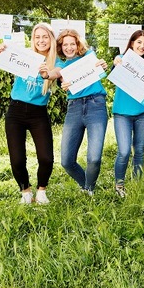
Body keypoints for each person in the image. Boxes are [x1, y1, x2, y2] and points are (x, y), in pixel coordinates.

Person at [0, 23, 59, 205]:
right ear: (33, 39)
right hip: (16, 110)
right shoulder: (25, 55)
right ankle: (25, 191)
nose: (41, 40)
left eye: (45, 37)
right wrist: (3, 52)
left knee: (46, 157)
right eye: (37, 37)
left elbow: (57, 72)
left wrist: (47, 74)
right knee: (17, 158)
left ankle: (41, 191)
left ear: (51, 39)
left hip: (38, 113)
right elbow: (7, 57)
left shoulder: (56, 61)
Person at [56, 29, 108, 195]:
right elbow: (58, 79)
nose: (69, 48)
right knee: (66, 161)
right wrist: (61, 83)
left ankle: (90, 190)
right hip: (74, 108)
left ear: (78, 44)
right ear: (61, 47)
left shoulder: (88, 57)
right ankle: (86, 185)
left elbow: (102, 72)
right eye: (65, 45)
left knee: (94, 158)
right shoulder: (61, 66)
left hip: (96, 104)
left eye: (72, 43)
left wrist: (102, 65)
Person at [111, 30, 144, 198]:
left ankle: (137, 183)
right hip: (122, 114)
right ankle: (119, 184)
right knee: (124, 151)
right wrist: (116, 62)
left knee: (139, 150)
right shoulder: (121, 61)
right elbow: (112, 73)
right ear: (131, 43)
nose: (142, 46)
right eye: (139, 42)